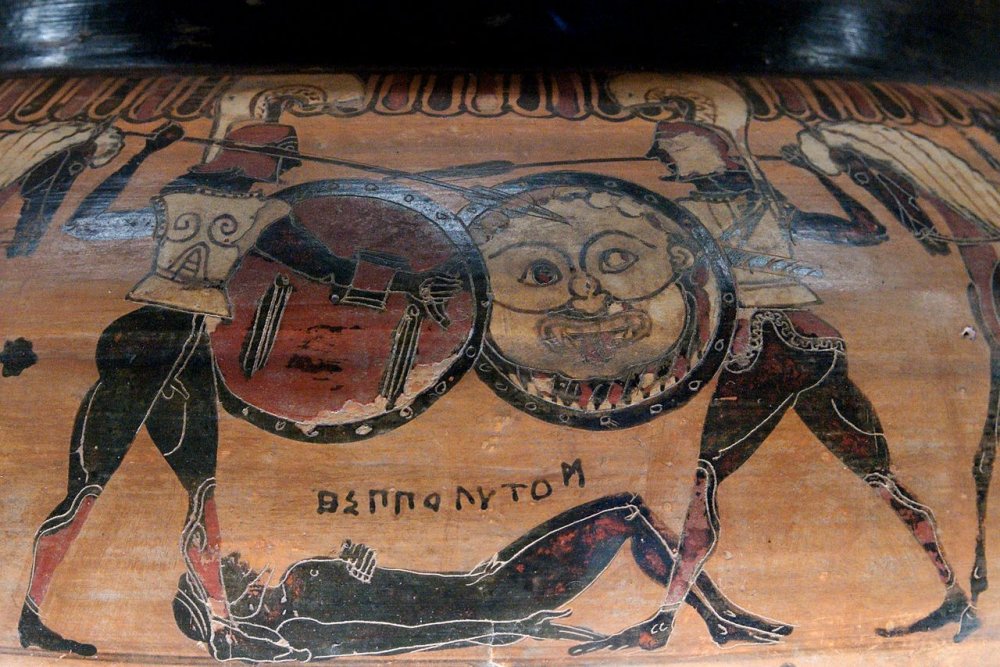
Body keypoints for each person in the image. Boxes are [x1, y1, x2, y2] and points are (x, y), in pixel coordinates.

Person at [18, 121, 462, 658]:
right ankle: (30, 619)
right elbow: (327, 266)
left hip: (175, 344)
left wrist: (138, 160)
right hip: (153, 340)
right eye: (278, 160)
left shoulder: (177, 196)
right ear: (252, 157)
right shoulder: (258, 215)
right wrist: (410, 282)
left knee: (197, 494)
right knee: (93, 487)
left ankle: (223, 625)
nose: (280, 172)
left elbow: (88, 224)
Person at [571, 118, 973, 653]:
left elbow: (690, 304)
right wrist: (818, 172)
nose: (663, 162)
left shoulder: (688, 219)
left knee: (704, 484)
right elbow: (866, 231)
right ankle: (957, 595)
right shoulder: (767, 203)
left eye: (670, 151)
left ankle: (664, 621)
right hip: (818, 342)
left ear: (705, 153)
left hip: (760, 349)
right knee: (879, 476)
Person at [172, 493, 793, 661]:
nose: (239, 561)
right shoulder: (297, 631)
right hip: (500, 600)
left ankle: (714, 618)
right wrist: (498, 629)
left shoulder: (302, 579)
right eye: (228, 572)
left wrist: (366, 570)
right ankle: (713, 619)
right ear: (231, 604)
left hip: (485, 581)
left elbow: (399, 589)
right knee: (625, 515)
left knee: (626, 511)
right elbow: (400, 640)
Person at [0, 120, 124, 257]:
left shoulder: (75, 154)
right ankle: (22, 249)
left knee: (37, 212)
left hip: (49, 185)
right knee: (36, 210)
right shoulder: (66, 151)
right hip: (45, 180)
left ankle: (22, 249)